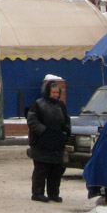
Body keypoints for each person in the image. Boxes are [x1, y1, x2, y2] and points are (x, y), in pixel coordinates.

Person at [26, 75, 70, 203]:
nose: (56, 95)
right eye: (53, 92)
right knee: (41, 170)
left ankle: (53, 194)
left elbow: (67, 121)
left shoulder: (61, 105)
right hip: (41, 144)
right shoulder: (38, 104)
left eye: (57, 92)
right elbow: (32, 120)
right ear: (47, 92)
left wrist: (65, 132)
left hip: (56, 143)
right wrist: (44, 132)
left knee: (56, 171)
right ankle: (38, 193)